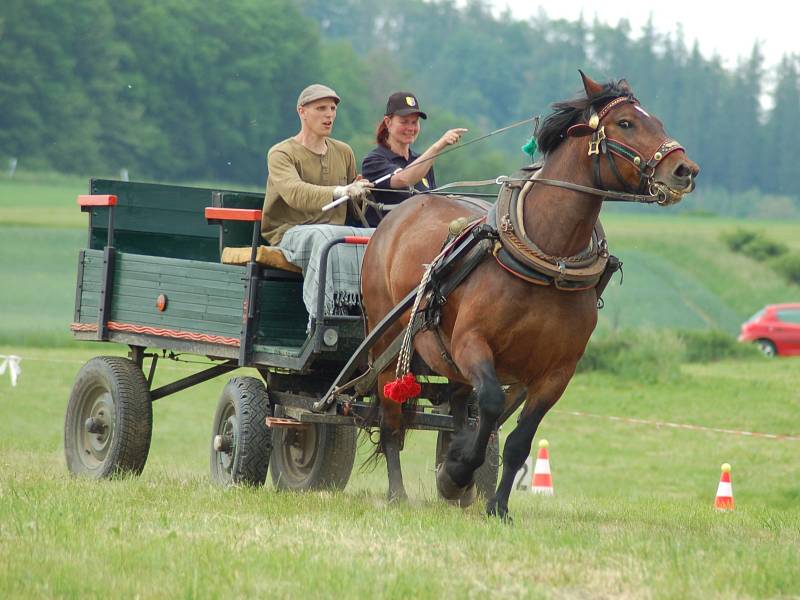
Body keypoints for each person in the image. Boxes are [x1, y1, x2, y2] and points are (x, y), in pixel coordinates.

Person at [261, 83, 374, 317]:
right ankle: (323, 319)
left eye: (332, 108)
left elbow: (355, 211)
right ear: (301, 111)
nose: (329, 115)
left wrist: (361, 194)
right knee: (325, 237)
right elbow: (295, 193)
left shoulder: (344, 151)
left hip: (333, 232)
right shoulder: (281, 153)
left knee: (376, 237)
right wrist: (340, 191)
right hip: (289, 233)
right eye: (321, 108)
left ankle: (368, 313)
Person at [360, 92, 467, 226]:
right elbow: (404, 179)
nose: (410, 128)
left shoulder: (421, 161)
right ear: (388, 122)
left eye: (414, 122)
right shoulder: (374, 161)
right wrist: (438, 146)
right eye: (404, 122)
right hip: (385, 241)